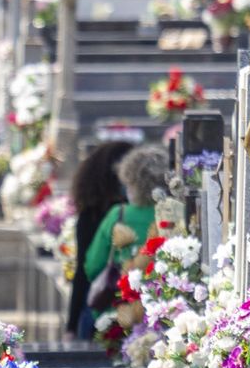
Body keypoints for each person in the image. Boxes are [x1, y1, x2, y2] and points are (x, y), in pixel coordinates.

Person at [65, 140, 135, 338]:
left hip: (98, 304)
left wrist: (71, 325)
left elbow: (84, 270)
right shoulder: (132, 212)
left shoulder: (90, 215)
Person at [84, 145, 174, 292]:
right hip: (163, 301)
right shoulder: (172, 215)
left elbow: (92, 265)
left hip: (119, 303)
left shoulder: (118, 215)